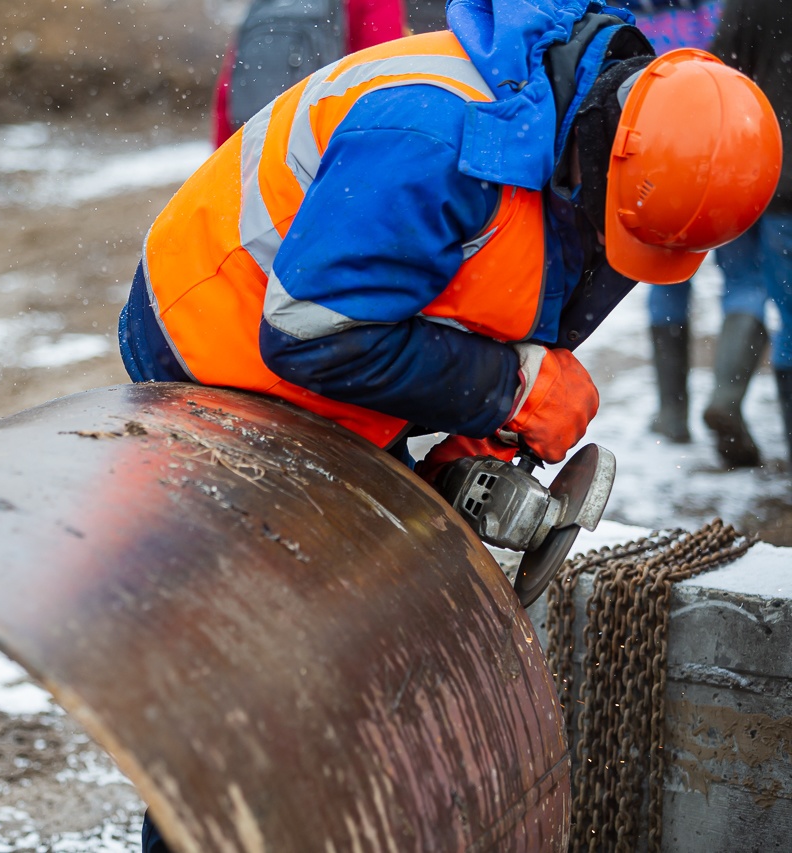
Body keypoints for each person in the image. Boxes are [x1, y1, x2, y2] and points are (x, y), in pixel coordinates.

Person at [117, 0, 780, 842]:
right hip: (219, 349)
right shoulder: (434, 136)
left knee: (363, 642)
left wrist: (479, 440)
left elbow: (526, 300)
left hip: (345, 335)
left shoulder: (620, 156)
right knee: (254, 669)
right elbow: (310, 338)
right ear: (607, 152)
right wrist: (510, 388)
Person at [613, 0, 772, 467]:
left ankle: (672, 414)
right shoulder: (724, 10)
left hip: (660, 164)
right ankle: (725, 400)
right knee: (744, 281)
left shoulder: (635, 15)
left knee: (667, 282)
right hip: (728, 156)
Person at [712, 0, 792, 473]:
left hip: (743, 178)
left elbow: (719, 76)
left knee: (742, 289)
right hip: (790, 192)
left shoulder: (747, 4)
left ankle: (725, 397)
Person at [211, 0, 409, 148]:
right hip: (326, 154)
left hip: (256, 150)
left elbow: (228, 90)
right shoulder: (373, 3)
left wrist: (223, 157)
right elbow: (384, 76)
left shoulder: (266, 5)